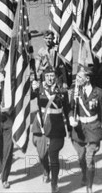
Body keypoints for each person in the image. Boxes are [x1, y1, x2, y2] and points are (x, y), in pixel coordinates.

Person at [69, 66, 102, 193]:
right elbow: (71, 108)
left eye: (80, 77)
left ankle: (89, 186)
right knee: (81, 157)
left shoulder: (98, 92)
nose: (77, 79)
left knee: (89, 158)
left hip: (93, 128)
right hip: (79, 129)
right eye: (77, 77)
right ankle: (85, 174)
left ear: (87, 78)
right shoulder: (75, 91)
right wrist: (71, 118)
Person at [31, 65, 71, 193]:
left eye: (52, 75)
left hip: (56, 128)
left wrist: (70, 129)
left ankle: (54, 184)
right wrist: (33, 89)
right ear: (44, 77)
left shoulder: (62, 91)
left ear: (56, 77)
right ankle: (45, 170)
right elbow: (29, 97)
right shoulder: (39, 89)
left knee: (53, 156)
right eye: (47, 76)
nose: (49, 78)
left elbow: (67, 109)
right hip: (41, 127)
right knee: (42, 154)